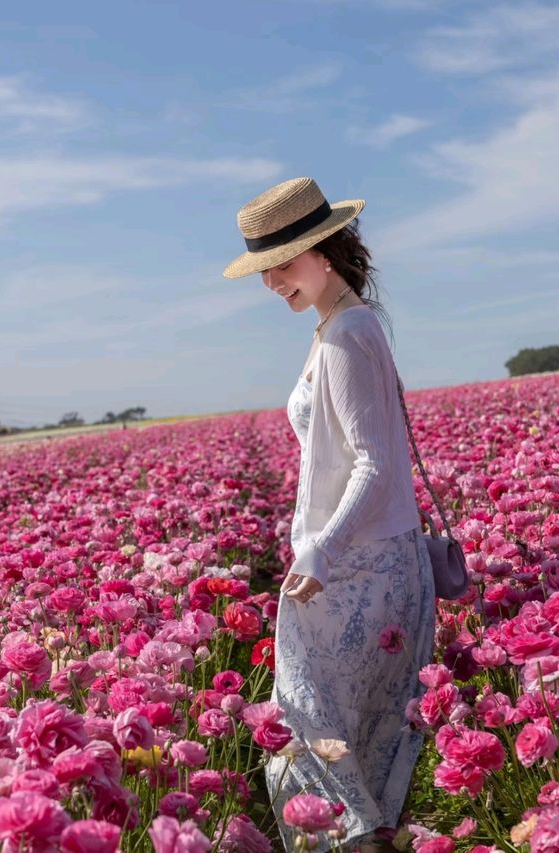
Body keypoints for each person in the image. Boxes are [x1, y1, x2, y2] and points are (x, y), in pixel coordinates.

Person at [223, 177, 436, 853]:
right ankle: (362, 839)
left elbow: (373, 461)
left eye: (281, 264)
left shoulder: (345, 333)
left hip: (357, 568)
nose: (272, 282)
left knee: (308, 721)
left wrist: (321, 547)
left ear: (322, 248)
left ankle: (350, 841)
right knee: (344, 731)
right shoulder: (336, 326)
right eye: (264, 271)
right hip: (366, 560)